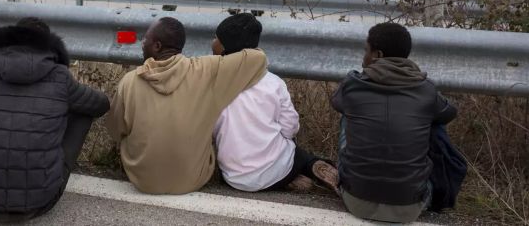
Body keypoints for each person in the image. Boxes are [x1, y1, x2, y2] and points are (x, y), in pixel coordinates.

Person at [0, 18, 109, 221]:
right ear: (47, 44)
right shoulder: (60, 75)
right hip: (39, 203)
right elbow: (100, 105)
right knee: (83, 112)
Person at [106, 17, 267, 194]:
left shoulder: (129, 82)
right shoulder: (206, 71)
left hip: (143, 181)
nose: (142, 43)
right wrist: (220, 47)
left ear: (157, 46)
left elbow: (115, 131)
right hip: (192, 181)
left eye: (145, 40)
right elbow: (258, 58)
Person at [332, 22, 458, 223]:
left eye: (366, 50)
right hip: (411, 206)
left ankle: (355, 177)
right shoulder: (426, 90)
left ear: (378, 55)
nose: (363, 57)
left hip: (355, 200)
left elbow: (336, 102)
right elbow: (450, 112)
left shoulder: (353, 85)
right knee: (433, 120)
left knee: (349, 114)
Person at [211, 13, 339, 192]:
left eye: (215, 37)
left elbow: (212, 130)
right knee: (297, 153)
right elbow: (290, 127)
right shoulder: (273, 82)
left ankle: (292, 180)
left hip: (235, 178)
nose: (213, 41)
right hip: (277, 170)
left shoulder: (213, 83)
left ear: (223, 46)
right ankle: (310, 167)